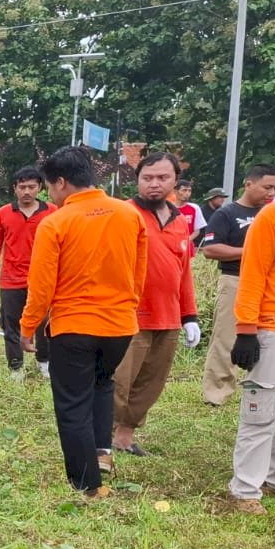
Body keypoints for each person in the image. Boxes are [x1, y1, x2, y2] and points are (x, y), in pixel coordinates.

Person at [20, 146, 147, 498]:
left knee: (72, 403)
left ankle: (87, 485)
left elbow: (42, 286)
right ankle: (101, 455)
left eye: (48, 187)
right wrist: (127, 307)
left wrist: (27, 326)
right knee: (102, 384)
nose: (49, 195)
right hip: (120, 326)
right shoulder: (129, 214)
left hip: (74, 326)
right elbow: (139, 273)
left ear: (61, 182)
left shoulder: (56, 222)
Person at [110, 153, 200, 456]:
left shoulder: (179, 222)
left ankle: (125, 436)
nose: (154, 184)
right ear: (137, 180)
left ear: (176, 180)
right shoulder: (123, 213)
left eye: (162, 178)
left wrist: (190, 315)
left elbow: (183, 271)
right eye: (147, 178)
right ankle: (102, 439)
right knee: (118, 381)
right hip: (129, 316)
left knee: (151, 383)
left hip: (168, 317)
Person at [225, 180, 275, 514]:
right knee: (263, 413)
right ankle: (245, 490)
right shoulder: (274, 216)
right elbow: (252, 274)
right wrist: (246, 329)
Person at [201, 165, 275, 406]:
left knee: (269, 339)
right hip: (236, 280)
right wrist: (252, 251)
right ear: (249, 184)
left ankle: (260, 388)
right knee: (226, 338)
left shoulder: (274, 212)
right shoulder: (227, 214)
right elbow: (210, 249)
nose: (271, 192)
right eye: (267, 187)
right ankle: (217, 393)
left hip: (272, 284)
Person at [0, 167, 57, 377]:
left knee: (45, 323)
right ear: (14, 188)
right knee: (11, 325)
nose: (27, 191)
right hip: (11, 279)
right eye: (22, 187)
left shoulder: (52, 212)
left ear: (40, 188)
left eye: (31, 187)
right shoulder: (3, 214)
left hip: (43, 278)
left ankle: (44, 362)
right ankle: (16, 366)